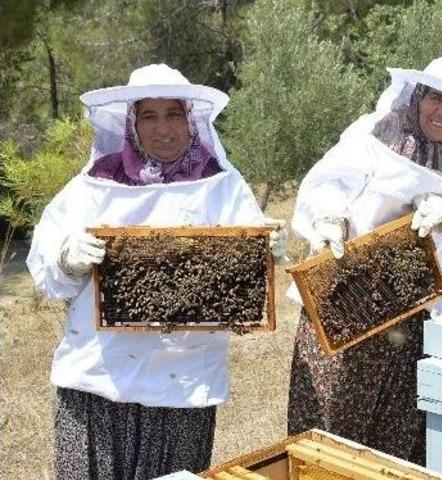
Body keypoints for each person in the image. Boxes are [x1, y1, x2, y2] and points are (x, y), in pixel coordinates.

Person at [27, 64, 288, 480]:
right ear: (131, 122)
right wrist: (65, 257)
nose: (163, 128)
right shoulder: (95, 183)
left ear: (191, 119)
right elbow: (45, 265)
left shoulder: (221, 184)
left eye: (174, 114)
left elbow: (248, 270)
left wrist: (265, 252)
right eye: (149, 115)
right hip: (98, 377)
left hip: (181, 383)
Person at [287, 56, 442, 464]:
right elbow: (325, 183)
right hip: (343, 307)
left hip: (408, 322)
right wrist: (331, 217)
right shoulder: (372, 133)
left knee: (394, 448)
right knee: (328, 444)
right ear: (418, 95)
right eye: (435, 98)